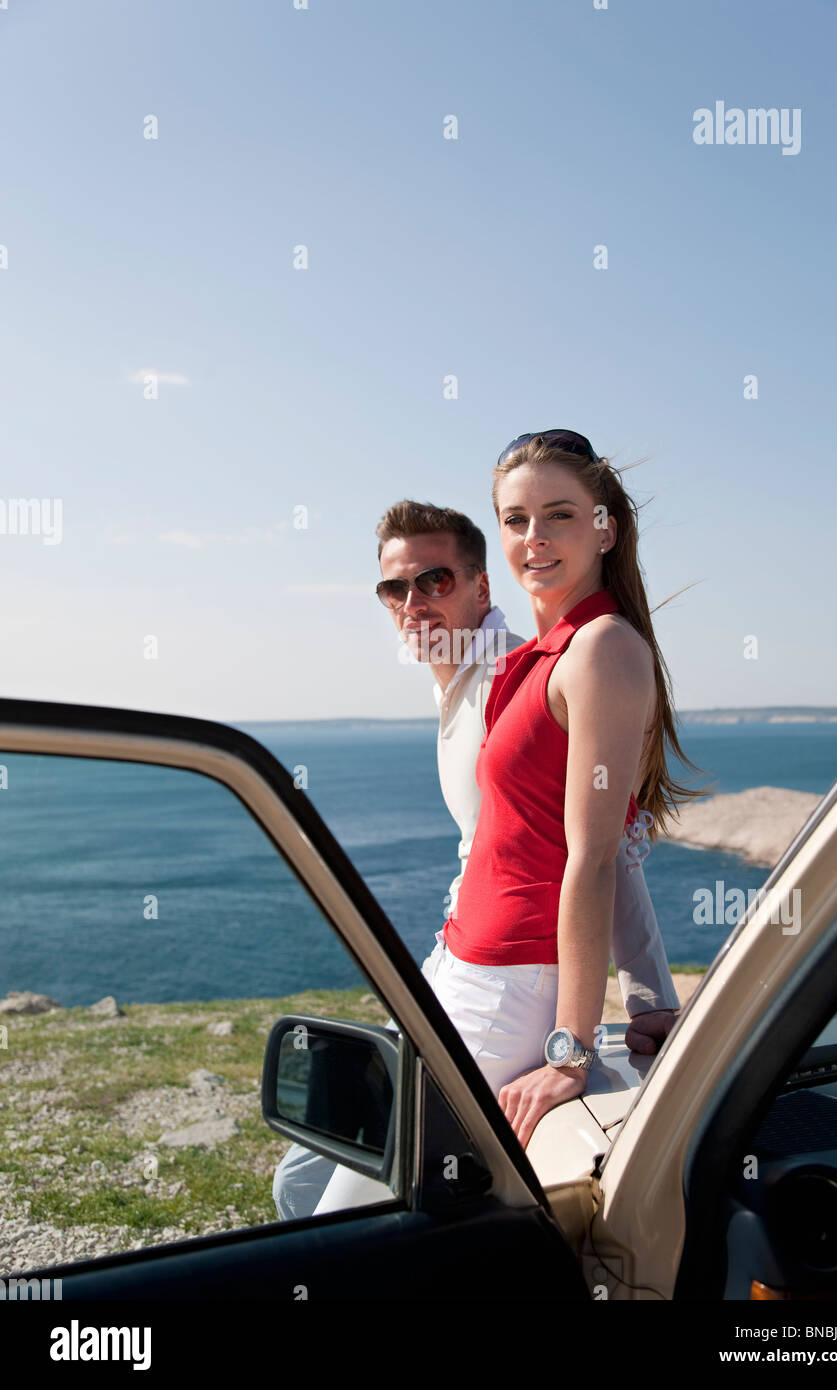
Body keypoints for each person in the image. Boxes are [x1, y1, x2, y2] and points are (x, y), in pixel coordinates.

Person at [272, 468, 688, 1218]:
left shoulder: (524, 669)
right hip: (459, 964)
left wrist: (632, 1005)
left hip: (505, 983)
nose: (413, 603)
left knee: (355, 1217)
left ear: (480, 587)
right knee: (302, 1180)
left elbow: (603, 853)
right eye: (394, 590)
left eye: (434, 580)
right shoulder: (481, 679)